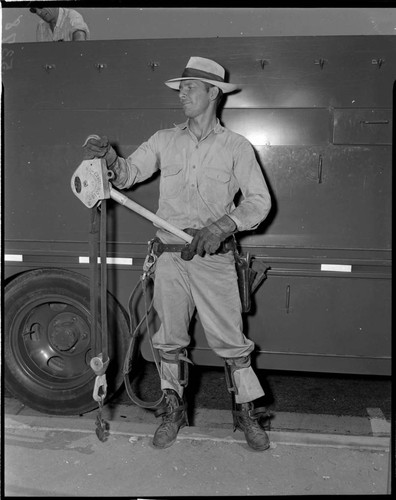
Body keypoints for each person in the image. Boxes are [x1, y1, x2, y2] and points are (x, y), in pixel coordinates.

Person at [83, 56, 272, 451]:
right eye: (181, 88)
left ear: (213, 93)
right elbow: (130, 173)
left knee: (233, 344)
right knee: (168, 340)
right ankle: (173, 411)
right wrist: (111, 162)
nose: (182, 94)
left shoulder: (236, 147)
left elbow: (259, 202)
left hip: (215, 259)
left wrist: (222, 226)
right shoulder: (163, 140)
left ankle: (246, 415)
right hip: (169, 257)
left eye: (190, 87)